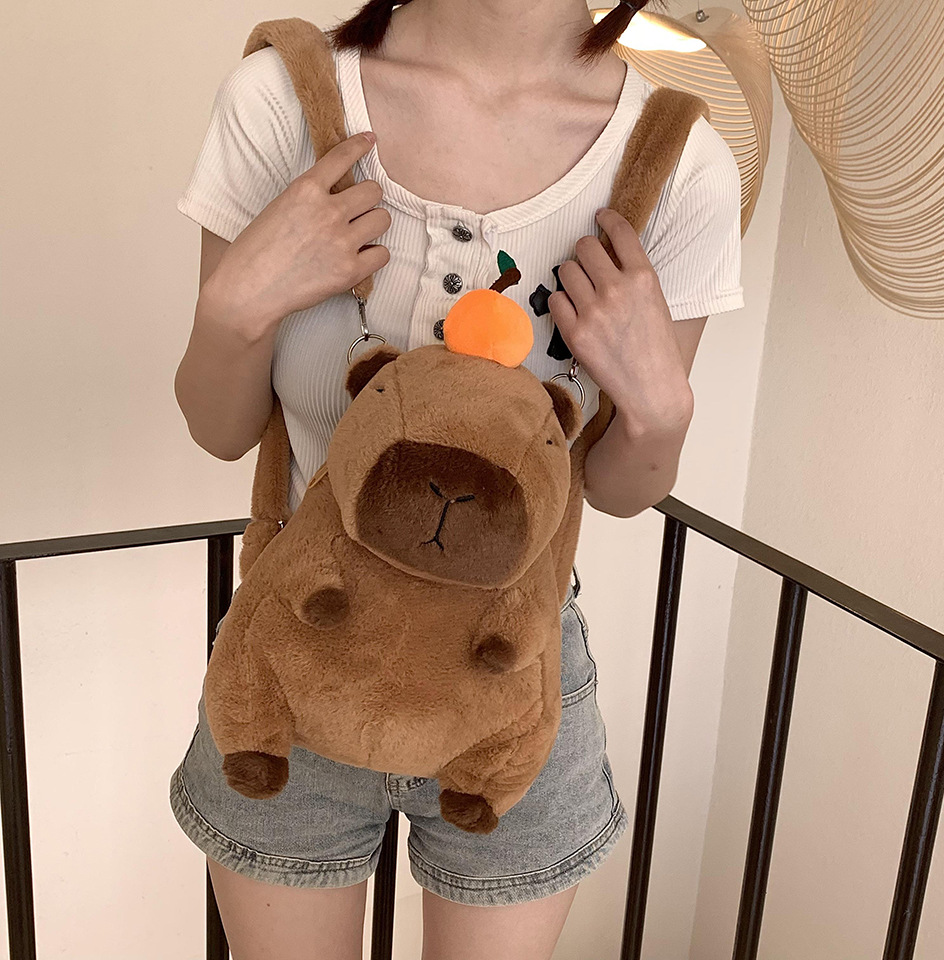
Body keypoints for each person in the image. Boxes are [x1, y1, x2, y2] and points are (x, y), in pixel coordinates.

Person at [169, 1, 744, 957]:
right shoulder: (282, 102)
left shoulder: (677, 166)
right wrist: (234, 310)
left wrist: (661, 411)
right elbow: (218, 429)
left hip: (511, 679)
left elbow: (617, 490)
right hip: (293, 665)